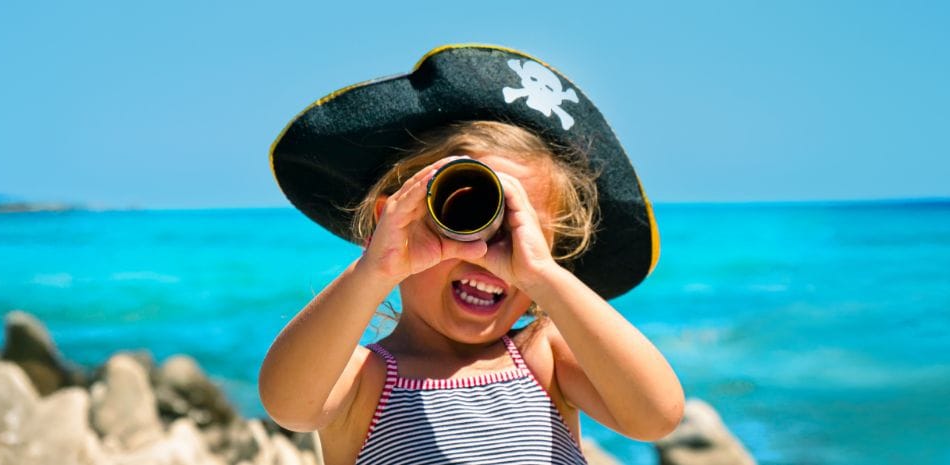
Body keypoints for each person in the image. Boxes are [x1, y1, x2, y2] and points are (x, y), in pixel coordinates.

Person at [258, 44, 683, 464]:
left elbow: (656, 417)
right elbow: (289, 405)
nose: (485, 252)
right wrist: (376, 268)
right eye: (463, 218)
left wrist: (542, 275)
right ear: (393, 222)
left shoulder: (543, 359)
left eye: (520, 230)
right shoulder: (367, 379)